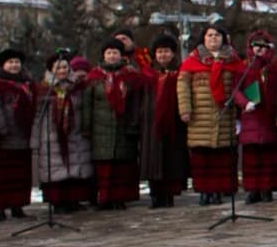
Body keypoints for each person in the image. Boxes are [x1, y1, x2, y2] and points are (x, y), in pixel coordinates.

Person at [178, 21, 243, 206]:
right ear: (203, 38)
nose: (213, 38)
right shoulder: (192, 61)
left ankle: (219, 191)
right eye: (209, 35)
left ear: (223, 39)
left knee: (221, 158)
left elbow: (240, 85)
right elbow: (182, 87)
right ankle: (204, 191)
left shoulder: (233, 60)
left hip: (224, 115)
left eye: (217, 35)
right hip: (200, 117)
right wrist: (185, 109)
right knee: (201, 158)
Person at [85, 39, 147, 210]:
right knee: (104, 167)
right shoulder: (94, 77)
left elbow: (137, 101)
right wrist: (87, 127)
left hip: (124, 127)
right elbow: (87, 105)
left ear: (121, 55)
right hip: (100, 129)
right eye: (109, 53)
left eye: (115, 53)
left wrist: (135, 124)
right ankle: (104, 198)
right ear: (103, 55)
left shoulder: (131, 76)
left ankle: (121, 198)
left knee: (122, 165)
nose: (112, 56)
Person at [32, 51, 94, 212]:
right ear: (51, 70)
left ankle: (74, 200)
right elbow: (37, 114)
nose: (62, 71)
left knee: (74, 166)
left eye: (65, 67)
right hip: (52, 134)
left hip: (75, 132)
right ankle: (58, 202)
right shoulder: (44, 89)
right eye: (58, 68)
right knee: (56, 168)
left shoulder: (78, 86)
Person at [234, 30, 277, 203]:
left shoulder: (275, 67)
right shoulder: (244, 66)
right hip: (251, 116)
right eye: (256, 46)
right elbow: (236, 89)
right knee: (251, 157)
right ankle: (252, 190)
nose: (260, 50)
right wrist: (244, 103)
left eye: (264, 47)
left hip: (269, 116)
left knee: (268, 156)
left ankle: (267, 189)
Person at [0, 48, 35, 219]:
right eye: (10, 62)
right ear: (2, 65)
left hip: (23, 135)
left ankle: (17, 205)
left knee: (20, 174)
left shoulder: (26, 83)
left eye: (17, 62)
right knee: (2, 175)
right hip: (3, 137)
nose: (14, 66)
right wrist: (2, 128)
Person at [139, 34, 189, 208]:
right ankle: (155, 194)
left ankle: (169, 195)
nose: (163, 55)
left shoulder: (180, 73)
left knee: (171, 159)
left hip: (174, 122)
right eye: (159, 52)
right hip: (151, 124)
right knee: (153, 160)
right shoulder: (147, 74)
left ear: (173, 53)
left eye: (166, 51)